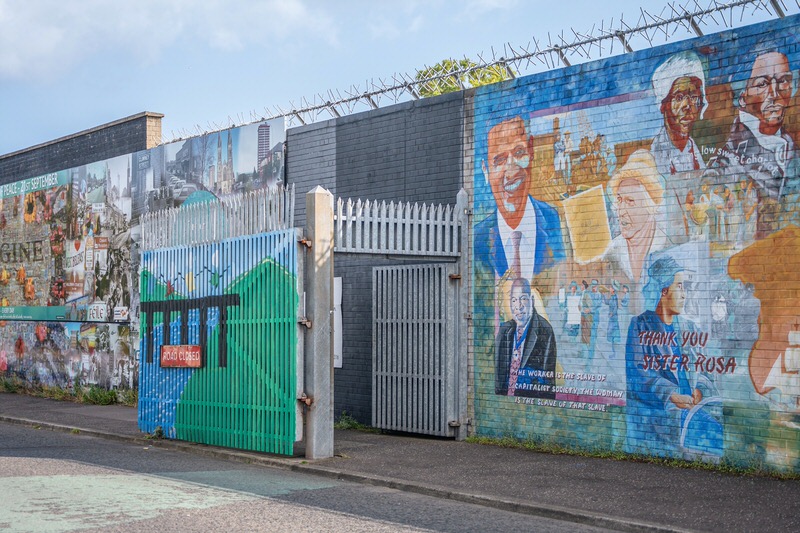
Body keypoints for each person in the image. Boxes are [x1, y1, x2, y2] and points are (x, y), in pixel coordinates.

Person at [625, 256, 722, 458]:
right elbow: (638, 374)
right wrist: (670, 394)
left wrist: (700, 389)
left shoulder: (688, 327)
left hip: (692, 413)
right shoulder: (640, 325)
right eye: (679, 286)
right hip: (659, 419)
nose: (684, 294)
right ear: (664, 291)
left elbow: (704, 368)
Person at [716, 50, 798, 236]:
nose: (775, 93)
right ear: (743, 96)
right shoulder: (728, 163)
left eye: (784, 80)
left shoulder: (790, 148)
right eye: (762, 84)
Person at [475, 117, 565, 280]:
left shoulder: (559, 224)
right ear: (485, 169)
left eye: (518, 152)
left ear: (531, 152)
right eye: (499, 160)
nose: (511, 171)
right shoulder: (477, 240)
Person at [603, 150, 671, 288]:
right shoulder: (611, 252)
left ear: (650, 206)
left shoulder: (666, 248)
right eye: (619, 200)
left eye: (630, 201)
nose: (621, 211)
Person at [495, 278, 557, 398]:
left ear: (531, 300)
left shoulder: (545, 331)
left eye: (523, 298)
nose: (518, 306)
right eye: (514, 300)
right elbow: (498, 377)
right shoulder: (504, 331)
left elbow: (548, 385)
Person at [650, 51, 707, 177]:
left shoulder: (692, 150)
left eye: (693, 97)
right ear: (664, 105)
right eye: (679, 97)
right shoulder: (657, 153)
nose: (687, 105)